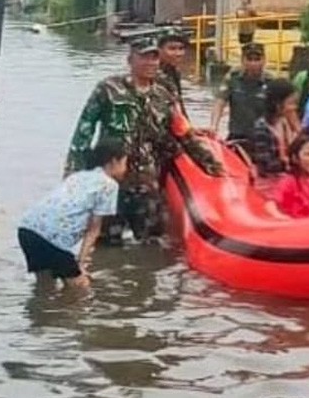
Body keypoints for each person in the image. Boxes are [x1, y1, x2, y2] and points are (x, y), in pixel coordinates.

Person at [65, 37, 222, 244]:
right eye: (144, 57)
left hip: (146, 181)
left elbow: (182, 132)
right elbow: (84, 130)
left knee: (151, 242)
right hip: (110, 182)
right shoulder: (108, 89)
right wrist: (73, 172)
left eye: (155, 58)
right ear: (130, 60)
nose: (151, 63)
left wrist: (211, 164)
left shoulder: (164, 94)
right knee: (105, 242)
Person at [20, 141, 127, 289]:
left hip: (27, 230)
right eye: (124, 163)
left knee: (44, 286)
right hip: (53, 238)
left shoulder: (78, 176)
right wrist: (81, 264)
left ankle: (41, 311)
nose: (125, 169)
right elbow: (93, 230)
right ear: (114, 161)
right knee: (80, 289)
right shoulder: (109, 185)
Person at [211, 42, 272, 149]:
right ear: (242, 60)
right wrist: (214, 126)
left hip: (263, 138)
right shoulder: (232, 78)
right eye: (249, 59)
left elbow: (282, 111)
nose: (253, 63)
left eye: (257, 59)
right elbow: (219, 103)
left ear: (264, 60)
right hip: (237, 135)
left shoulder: (271, 81)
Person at [270, 134, 309, 218]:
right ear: (295, 158)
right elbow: (270, 206)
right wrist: (283, 219)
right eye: (308, 154)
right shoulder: (288, 182)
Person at [249, 79, 299, 176]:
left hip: (286, 177)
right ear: (277, 104)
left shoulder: (284, 122)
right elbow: (265, 165)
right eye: (291, 103)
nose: (294, 107)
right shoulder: (261, 128)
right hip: (269, 183)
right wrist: (294, 163)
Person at [156, 28, 190, 117]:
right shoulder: (150, 73)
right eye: (172, 49)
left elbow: (179, 104)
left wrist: (189, 128)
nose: (178, 53)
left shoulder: (173, 72)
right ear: (159, 50)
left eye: (181, 48)